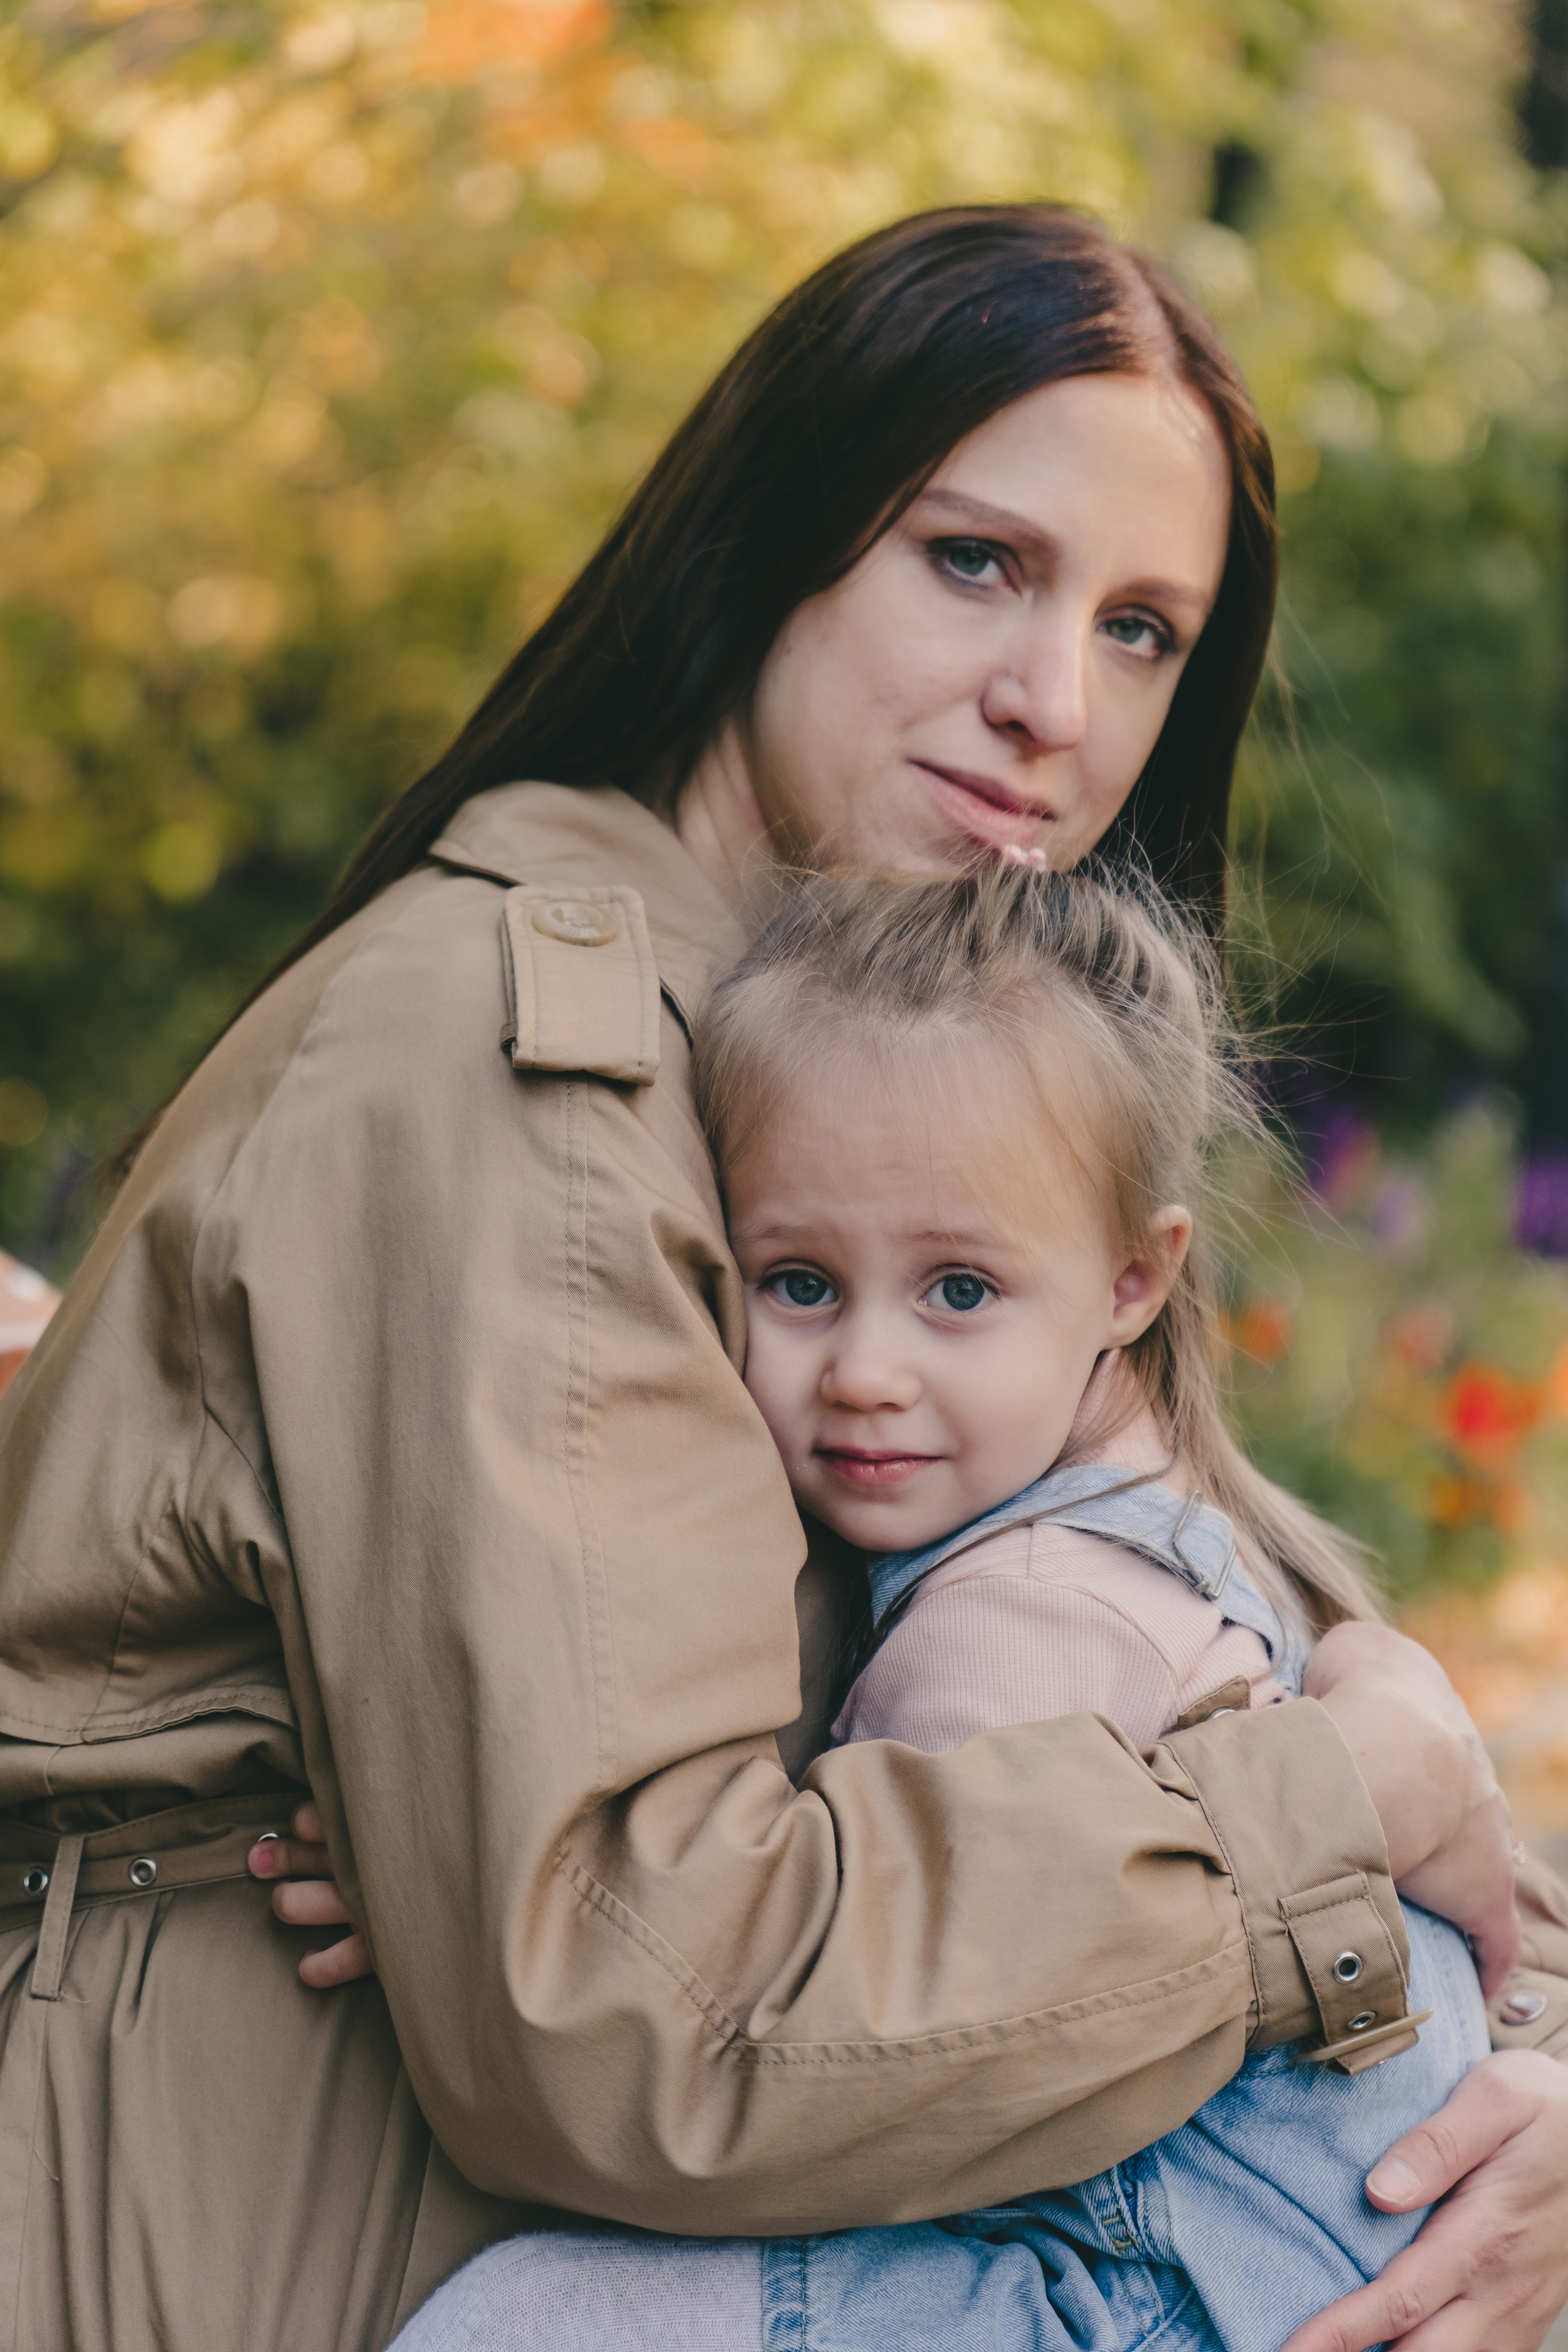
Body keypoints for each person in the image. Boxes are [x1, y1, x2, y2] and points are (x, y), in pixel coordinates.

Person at [0, 207, 1564, 2352]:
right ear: (778, 531)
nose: (1051, 707)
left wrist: (1538, 2078)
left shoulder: (868, 1111)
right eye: (976, 563)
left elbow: (1200, 1664)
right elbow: (638, 2006)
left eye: (1140, 632)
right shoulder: (528, 1065)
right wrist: (1325, 1821)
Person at [402, 864, 1489, 2352]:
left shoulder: (1024, 1621)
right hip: (1251, 2250)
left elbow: (845, 2042)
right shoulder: (1138, 1518)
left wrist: (468, 1869)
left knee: (527, 2324)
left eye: (957, 1293)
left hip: (1177, 2291)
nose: (864, 1368)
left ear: (1131, 1280)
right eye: (796, 1282)